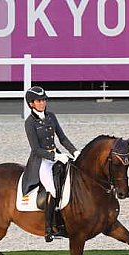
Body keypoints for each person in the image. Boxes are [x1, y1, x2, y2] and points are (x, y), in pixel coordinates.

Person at [22, 86, 80, 242]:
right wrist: (55, 156)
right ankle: (49, 229)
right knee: (52, 190)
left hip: (56, 155)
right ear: (31, 104)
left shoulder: (51, 117)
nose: (42, 103)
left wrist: (74, 152)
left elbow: (62, 138)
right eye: (39, 101)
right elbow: (36, 150)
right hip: (42, 161)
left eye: (44, 100)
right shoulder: (29, 123)